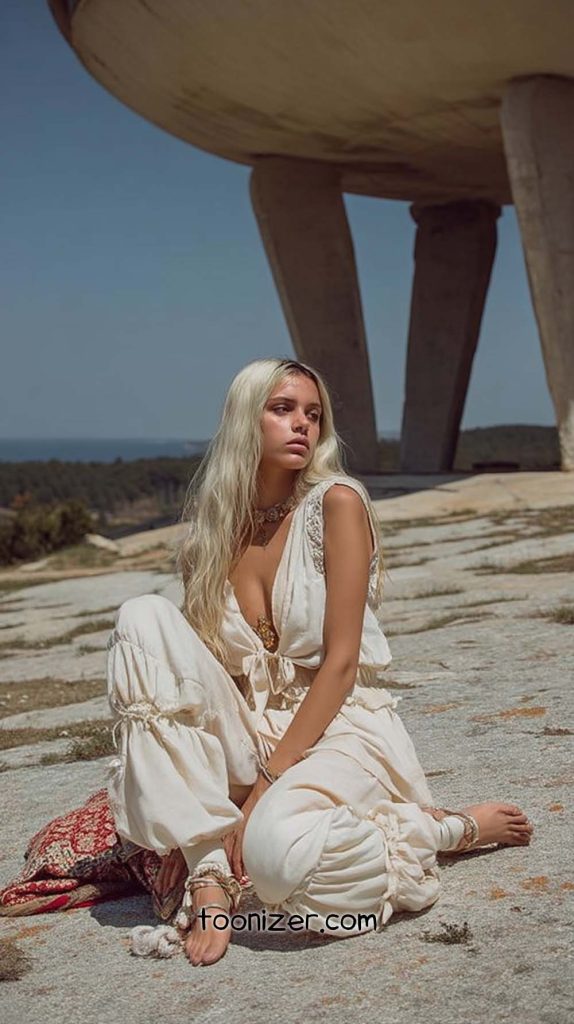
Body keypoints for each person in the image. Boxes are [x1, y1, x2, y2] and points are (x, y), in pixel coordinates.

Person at [0, 357, 533, 966]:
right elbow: (212, 673)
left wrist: (258, 793)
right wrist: (220, 782)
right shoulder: (212, 530)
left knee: (277, 860)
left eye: (313, 413)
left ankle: (442, 829)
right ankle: (209, 876)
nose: (302, 425)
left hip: (334, 724)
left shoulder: (337, 503)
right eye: (282, 409)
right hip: (249, 726)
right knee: (140, 617)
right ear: (245, 419)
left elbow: (340, 663)